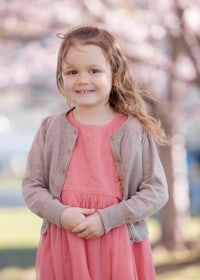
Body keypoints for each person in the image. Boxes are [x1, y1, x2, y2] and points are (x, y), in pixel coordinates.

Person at [22, 24, 169, 280]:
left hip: (118, 242)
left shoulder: (134, 129)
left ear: (114, 73)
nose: (83, 79)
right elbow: (33, 187)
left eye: (94, 70)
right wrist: (62, 214)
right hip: (65, 240)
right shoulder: (50, 128)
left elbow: (156, 191)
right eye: (72, 71)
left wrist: (107, 218)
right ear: (61, 76)